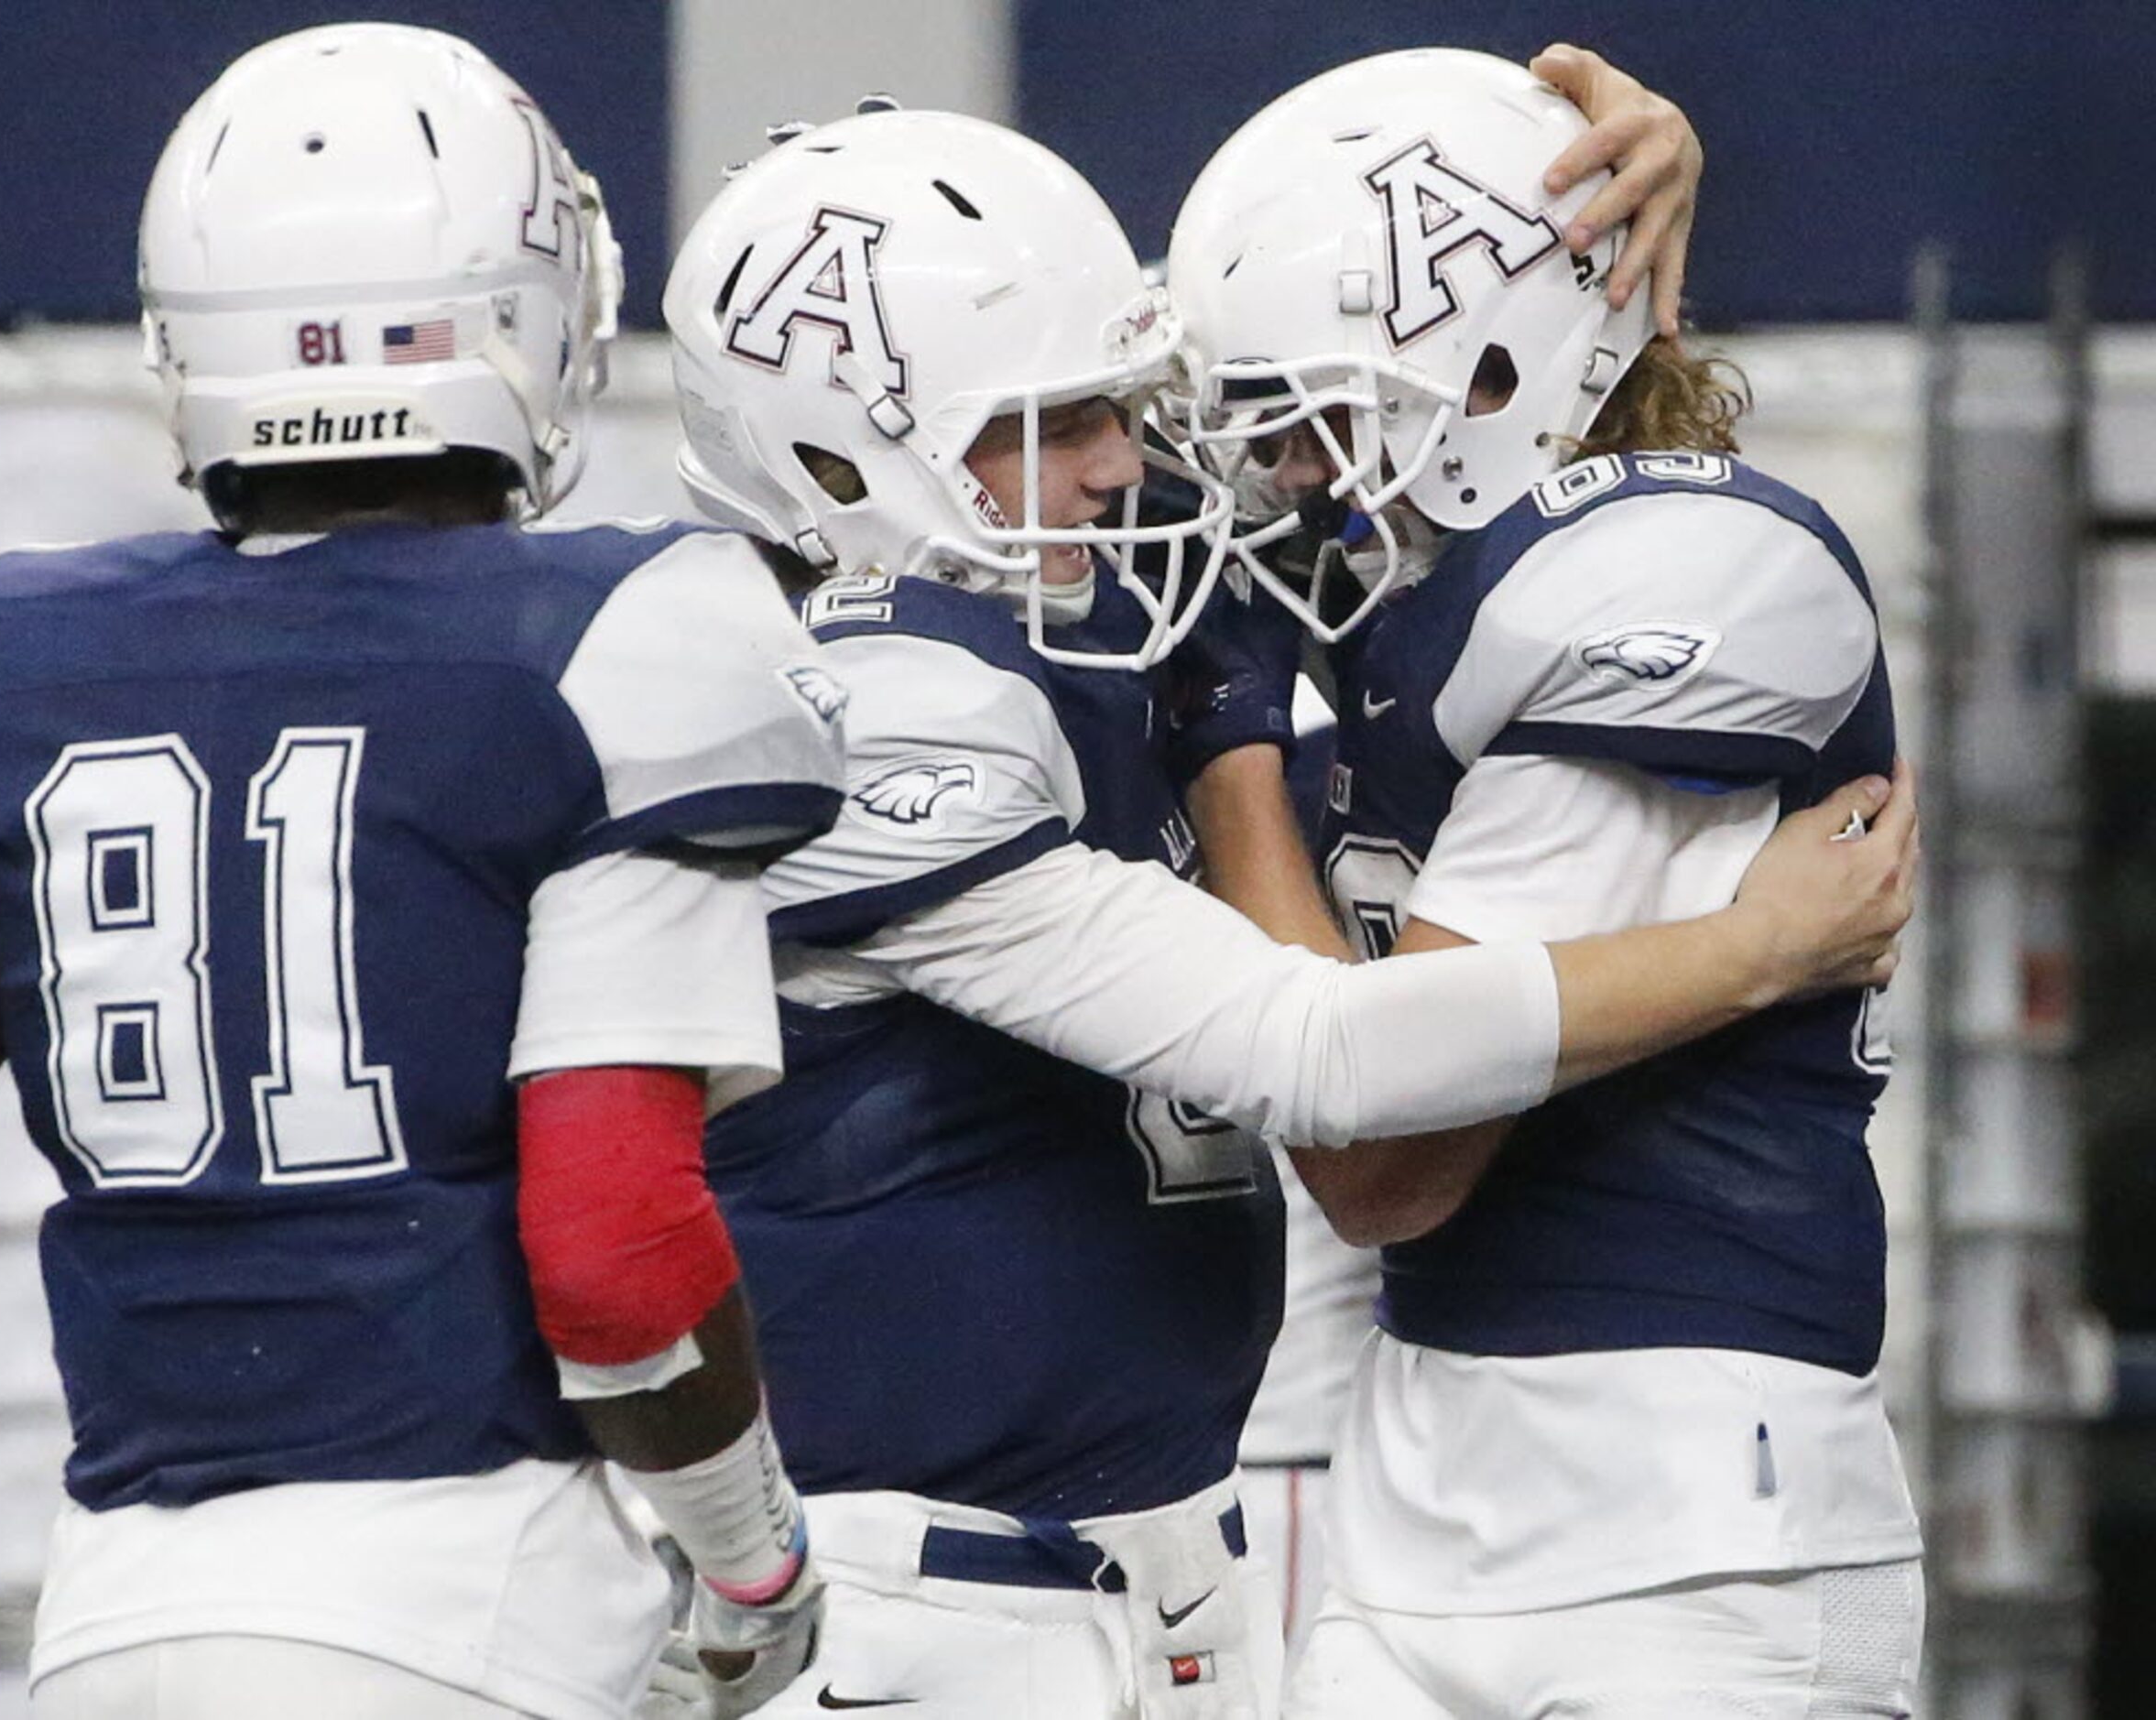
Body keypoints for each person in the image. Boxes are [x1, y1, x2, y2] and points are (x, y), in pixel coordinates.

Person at [654, 75, 1914, 1720]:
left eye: (1124, 405)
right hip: (943, 1570)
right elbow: (1358, 1110)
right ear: (851, 453)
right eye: (1054, 423)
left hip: (1450, 1525)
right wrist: (1748, 951)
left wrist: (1616, 185)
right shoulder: (877, 702)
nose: (1137, 468)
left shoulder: (1142, 615)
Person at [0, 26, 846, 1719]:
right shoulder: (620, 640)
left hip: (114, 1621)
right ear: (534, 313)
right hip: (463, 1606)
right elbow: (618, 1259)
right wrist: (750, 1555)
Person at [1165, 47, 1922, 1717]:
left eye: (1317, 411)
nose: (1284, 470)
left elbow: (1381, 1155)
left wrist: (1231, 765)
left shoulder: (1691, 559)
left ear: (1491, 363)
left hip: (1691, 1514)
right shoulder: (1381, 590)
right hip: (1417, 1469)